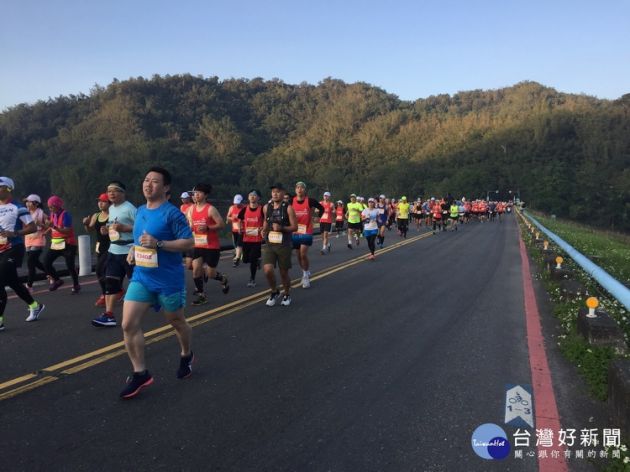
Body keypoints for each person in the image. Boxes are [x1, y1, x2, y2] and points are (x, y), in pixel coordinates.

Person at [118, 167, 194, 399]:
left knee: (176, 322)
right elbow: (141, 238)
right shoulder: (140, 210)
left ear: (166, 187)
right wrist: (133, 249)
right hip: (142, 277)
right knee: (128, 324)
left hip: (168, 280)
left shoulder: (173, 214)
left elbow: (189, 243)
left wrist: (159, 244)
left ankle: (186, 354)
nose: (148, 184)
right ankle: (140, 373)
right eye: (146, 180)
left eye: (154, 181)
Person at [0, 177, 45, 330]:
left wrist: (14, 233)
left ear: (8, 189)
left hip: (14, 248)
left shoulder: (18, 207)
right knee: (13, 282)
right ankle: (34, 305)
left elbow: (32, 227)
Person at [92, 181, 136, 327]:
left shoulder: (130, 209)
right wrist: (107, 229)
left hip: (128, 251)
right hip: (113, 250)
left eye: (115, 190)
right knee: (110, 282)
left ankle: (152, 299)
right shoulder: (111, 209)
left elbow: (142, 228)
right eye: (109, 190)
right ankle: (109, 315)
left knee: (136, 282)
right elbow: (114, 226)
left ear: (123, 193)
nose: (111, 193)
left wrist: (125, 228)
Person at [186, 183, 229, 305]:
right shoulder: (191, 209)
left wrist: (208, 228)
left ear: (205, 195)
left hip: (211, 246)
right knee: (195, 271)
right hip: (197, 245)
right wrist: (188, 230)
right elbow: (189, 225)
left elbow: (221, 225)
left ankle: (223, 278)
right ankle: (201, 295)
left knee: (210, 274)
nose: (195, 195)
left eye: (198, 193)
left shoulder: (210, 209)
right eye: (194, 193)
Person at [262, 183, 297, 307]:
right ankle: (274, 291)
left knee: (283, 273)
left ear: (283, 193)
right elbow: (265, 222)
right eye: (273, 192)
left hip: (284, 244)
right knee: (267, 270)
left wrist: (281, 228)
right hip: (270, 243)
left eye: (277, 191)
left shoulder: (288, 208)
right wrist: (263, 230)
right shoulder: (266, 207)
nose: (275, 194)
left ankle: (287, 294)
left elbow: (294, 227)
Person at [44, 195, 80, 293]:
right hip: (56, 244)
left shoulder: (66, 215)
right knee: (46, 262)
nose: (51, 209)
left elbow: (67, 231)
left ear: (58, 205)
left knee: (70, 266)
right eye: (49, 207)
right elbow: (52, 225)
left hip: (68, 244)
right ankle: (57, 280)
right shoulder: (52, 214)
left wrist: (54, 227)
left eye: (52, 207)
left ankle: (76, 284)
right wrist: (46, 230)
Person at [291, 181, 324, 289]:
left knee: (303, 253)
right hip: (295, 231)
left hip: (307, 230)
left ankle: (305, 276)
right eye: (298, 187)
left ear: (305, 190)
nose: (299, 189)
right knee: (298, 255)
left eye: (302, 187)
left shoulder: (310, 201)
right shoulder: (291, 201)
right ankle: (305, 270)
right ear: (295, 190)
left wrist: (318, 217)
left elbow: (321, 208)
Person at [83, 193, 111, 307]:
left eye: (103, 201)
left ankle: (105, 295)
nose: (100, 203)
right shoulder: (96, 216)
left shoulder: (114, 215)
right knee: (103, 272)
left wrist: (109, 230)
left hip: (111, 246)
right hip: (100, 247)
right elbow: (89, 230)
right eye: (99, 201)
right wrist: (86, 224)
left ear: (109, 203)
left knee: (100, 270)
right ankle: (115, 291)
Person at [237, 190, 264, 287]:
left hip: (257, 239)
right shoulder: (244, 209)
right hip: (246, 238)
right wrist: (240, 228)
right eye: (250, 195)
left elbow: (266, 221)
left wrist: (263, 228)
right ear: (248, 198)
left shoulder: (261, 209)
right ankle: (257, 260)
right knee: (245, 260)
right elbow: (240, 219)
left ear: (258, 198)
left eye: (254, 195)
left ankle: (252, 279)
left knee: (252, 259)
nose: (252, 197)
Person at [23, 194, 48, 292]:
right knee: (35, 262)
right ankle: (50, 273)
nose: (27, 204)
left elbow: (49, 226)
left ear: (36, 204)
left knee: (30, 262)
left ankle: (29, 285)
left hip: (38, 240)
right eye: (27, 202)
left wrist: (40, 224)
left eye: (29, 202)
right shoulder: (25, 213)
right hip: (28, 240)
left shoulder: (41, 213)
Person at [226, 194, 244, 267]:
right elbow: (228, 217)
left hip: (242, 229)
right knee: (236, 245)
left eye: (238, 203)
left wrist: (240, 219)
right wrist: (231, 218)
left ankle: (237, 259)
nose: (237, 205)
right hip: (234, 229)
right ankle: (239, 254)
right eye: (236, 203)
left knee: (239, 244)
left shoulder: (245, 208)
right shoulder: (231, 208)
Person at [179, 191, 194, 270]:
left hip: (191, 230)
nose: (183, 200)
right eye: (182, 198)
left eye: (184, 198)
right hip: (184, 230)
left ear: (188, 198)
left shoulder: (192, 206)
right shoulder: (182, 207)